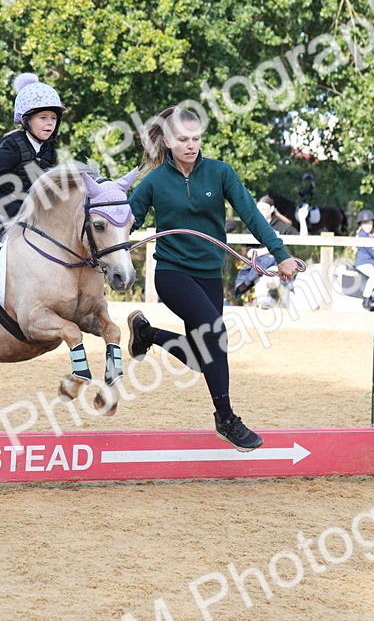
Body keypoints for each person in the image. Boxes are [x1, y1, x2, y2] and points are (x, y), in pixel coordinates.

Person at [126, 107, 299, 451]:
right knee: (216, 335)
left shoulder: (220, 173)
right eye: (182, 139)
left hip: (209, 276)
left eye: (196, 138)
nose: (191, 145)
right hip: (172, 273)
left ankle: (147, 333)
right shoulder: (154, 182)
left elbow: (252, 214)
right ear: (168, 140)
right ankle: (226, 418)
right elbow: (125, 221)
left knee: (201, 356)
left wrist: (281, 255)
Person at [0, 72, 65, 320]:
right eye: (43, 118)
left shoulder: (49, 149)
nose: (49, 123)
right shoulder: (11, 145)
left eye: (53, 118)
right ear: (26, 120)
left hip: (30, 209)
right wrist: (12, 211)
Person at [354, 209, 374, 311]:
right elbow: (371, 251)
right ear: (361, 224)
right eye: (366, 224)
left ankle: (373, 298)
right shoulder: (362, 236)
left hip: (369, 262)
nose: (368, 226)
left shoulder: (368, 235)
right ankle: (366, 299)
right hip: (363, 263)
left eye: (370, 224)